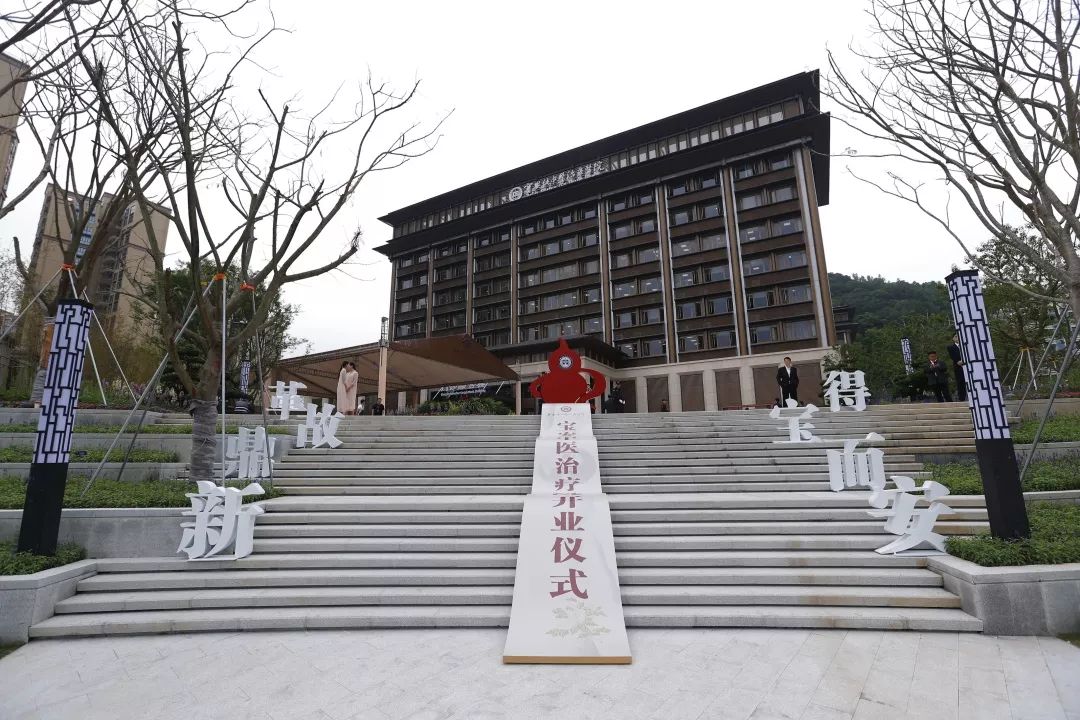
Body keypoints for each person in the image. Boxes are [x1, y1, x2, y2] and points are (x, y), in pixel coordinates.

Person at [948, 335, 967, 402]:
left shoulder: (965, 345)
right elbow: (952, 356)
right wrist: (957, 361)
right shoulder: (951, 347)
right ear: (953, 338)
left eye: (958, 336)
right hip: (958, 366)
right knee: (960, 382)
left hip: (967, 365)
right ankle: (962, 398)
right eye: (956, 336)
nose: (957, 338)